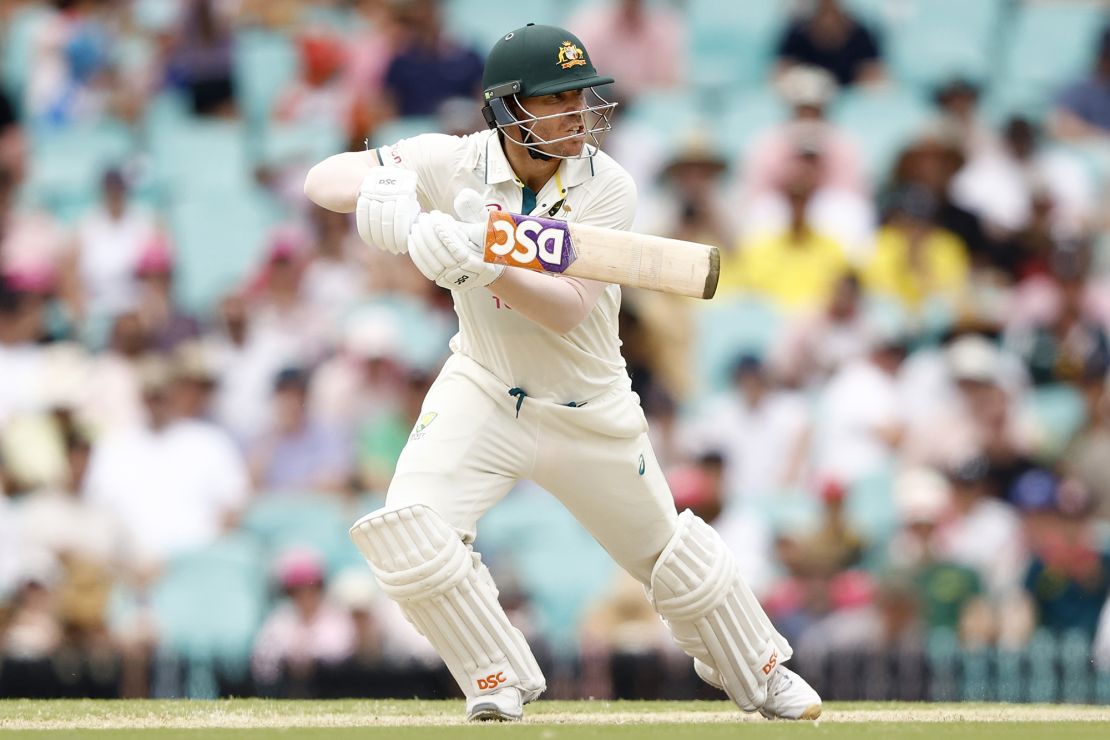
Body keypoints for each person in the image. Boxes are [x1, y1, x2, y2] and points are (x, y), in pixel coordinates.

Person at [304, 23, 822, 722]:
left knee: (667, 560)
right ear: (510, 109)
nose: (580, 113)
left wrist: (484, 262)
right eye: (559, 100)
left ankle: (762, 672)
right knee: (410, 532)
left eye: (584, 96)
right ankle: (495, 677)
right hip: (484, 387)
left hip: (588, 408)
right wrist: (389, 198)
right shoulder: (450, 160)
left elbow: (568, 308)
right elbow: (321, 179)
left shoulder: (608, 187)